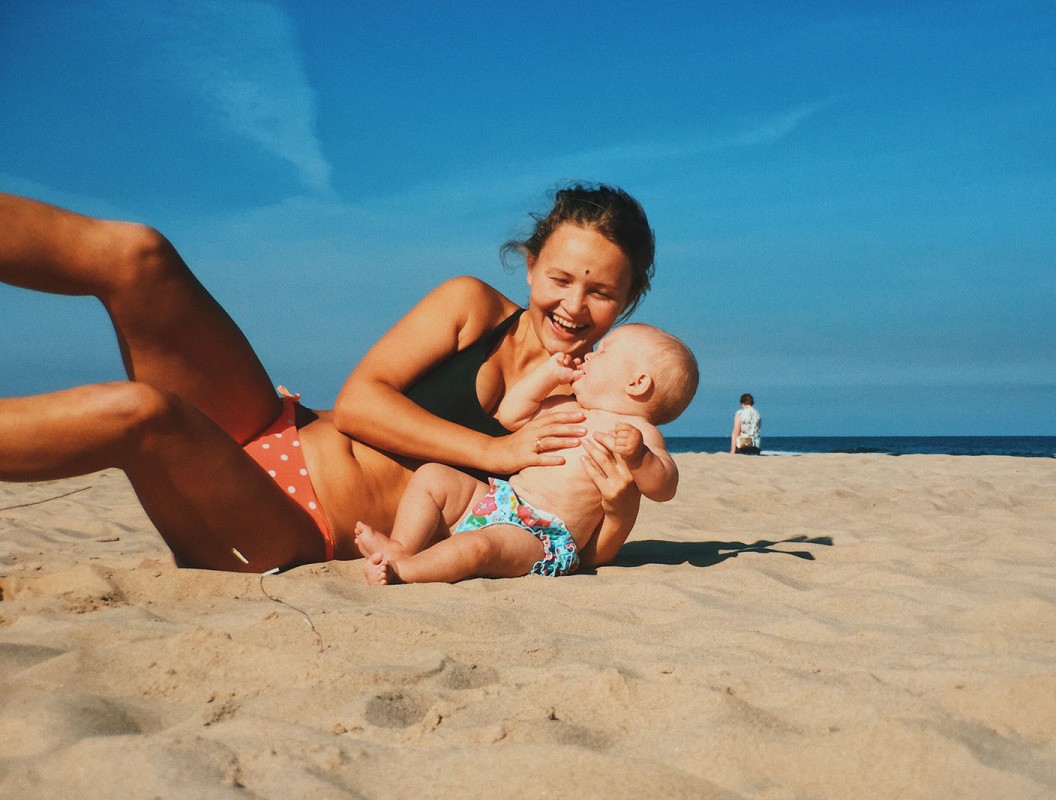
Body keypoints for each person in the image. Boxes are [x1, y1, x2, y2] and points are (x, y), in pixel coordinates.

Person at [0, 184, 657, 573]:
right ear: (531, 264)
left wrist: (622, 504)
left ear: (625, 304)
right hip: (274, 427)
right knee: (138, 256)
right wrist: (494, 450)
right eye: (562, 279)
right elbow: (361, 402)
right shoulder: (471, 307)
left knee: (145, 413)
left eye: (601, 294)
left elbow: (567, 546)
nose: (574, 306)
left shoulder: (592, 408)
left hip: (290, 524)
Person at [353, 324, 698, 584]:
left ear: (637, 383)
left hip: (542, 535)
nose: (590, 353)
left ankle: (403, 572)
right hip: (500, 498)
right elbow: (511, 414)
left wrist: (641, 457)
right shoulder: (566, 404)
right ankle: (401, 546)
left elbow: (664, 486)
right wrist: (548, 375)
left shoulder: (641, 434)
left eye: (604, 352)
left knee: (480, 548)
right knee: (432, 476)